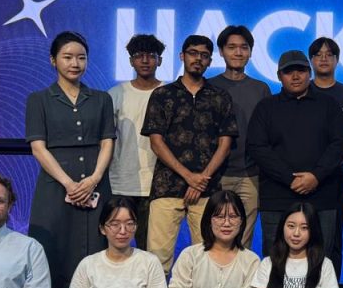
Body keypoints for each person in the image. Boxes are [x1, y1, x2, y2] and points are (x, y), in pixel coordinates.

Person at [26, 30, 115, 288]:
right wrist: (68, 183)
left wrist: (92, 179)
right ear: (53, 60)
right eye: (67, 57)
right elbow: (38, 147)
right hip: (54, 189)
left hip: (95, 186)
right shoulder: (39, 99)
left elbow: (107, 142)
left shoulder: (101, 99)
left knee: (90, 259)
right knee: (54, 259)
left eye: (81, 57)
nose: (75, 63)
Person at [142, 34, 237, 273]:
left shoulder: (220, 96)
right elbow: (156, 142)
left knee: (208, 259)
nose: (198, 59)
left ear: (210, 61)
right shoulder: (162, 95)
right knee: (156, 261)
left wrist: (201, 179)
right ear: (182, 56)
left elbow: (225, 143)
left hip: (207, 189)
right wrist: (189, 177)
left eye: (204, 55)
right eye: (193, 53)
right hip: (167, 186)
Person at [247, 49, 343, 258]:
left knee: (321, 259)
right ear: (279, 76)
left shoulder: (329, 105)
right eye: (288, 72)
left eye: (301, 71)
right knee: (275, 260)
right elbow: (257, 147)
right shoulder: (266, 107)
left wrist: (316, 176)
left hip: (322, 195)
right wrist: (289, 178)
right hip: (276, 196)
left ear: (309, 73)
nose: (295, 76)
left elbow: (339, 144)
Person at [309, 36, 343, 288]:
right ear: (311, 60)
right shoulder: (302, 89)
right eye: (318, 54)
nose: (324, 58)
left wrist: (329, 166)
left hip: (337, 176)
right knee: (304, 237)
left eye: (329, 54)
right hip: (305, 179)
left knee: (332, 241)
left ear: (338, 60)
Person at [211, 24, 271, 249]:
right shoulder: (210, 87)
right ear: (221, 51)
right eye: (232, 47)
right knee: (214, 237)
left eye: (244, 47)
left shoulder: (261, 89)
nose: (238, 52)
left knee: (243, 240)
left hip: (251, 175)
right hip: (216, 174)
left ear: (250, 52)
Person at [108, 33, 165, 251]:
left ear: (160, 60)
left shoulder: (169, 93)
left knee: (151, 249)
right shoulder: (116, 94)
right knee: (116, 244)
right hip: (121, 182)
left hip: (158, 184)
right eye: (139, 55)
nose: (145, 60)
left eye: (151, 55)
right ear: (131, 61)